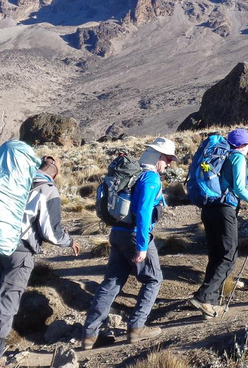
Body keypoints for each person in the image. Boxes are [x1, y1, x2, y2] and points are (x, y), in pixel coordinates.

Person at [0, 156, 80, 364]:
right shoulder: (47, 189)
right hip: (20, 250)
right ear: (55, 170)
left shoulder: (15, 180)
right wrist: (69, 241)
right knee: (9, 299)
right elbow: (50, 232)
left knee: (0, 292)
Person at [82, 138, 175, 349]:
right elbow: (143, 212)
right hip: (134, 235)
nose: (169, 164)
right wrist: (142, 246)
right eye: (168, 159)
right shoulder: (150, 178)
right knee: (153, 279)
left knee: (111, 282)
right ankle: (137, 327)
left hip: (117, 233)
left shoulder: (131, 174)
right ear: (159, 156)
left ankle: (89, 334)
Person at [189, 129, 248, 319]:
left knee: (216, 255)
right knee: (228, 256)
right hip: (224, 210)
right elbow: (240, 189)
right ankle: (203, 296)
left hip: (209, 209)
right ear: (243, 145)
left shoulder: (223, 155)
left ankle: (209, 303)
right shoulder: (237, 158)